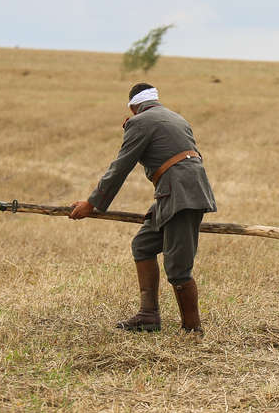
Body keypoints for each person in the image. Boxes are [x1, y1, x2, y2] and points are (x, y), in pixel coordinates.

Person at [69, 83, 217, 334]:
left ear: (133, 108)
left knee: (178, 268)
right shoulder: (176, 118)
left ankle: (192, 330)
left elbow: (120, 167)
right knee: (144, 245)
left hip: (180, 197)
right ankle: (148, 316)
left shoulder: (140, 122)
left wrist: (92, 204)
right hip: (178, 193)